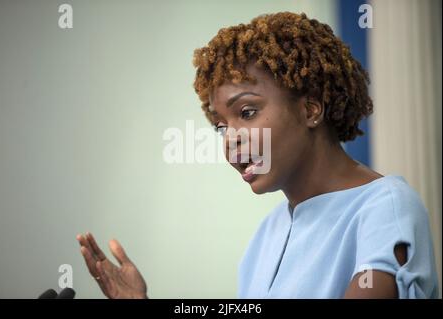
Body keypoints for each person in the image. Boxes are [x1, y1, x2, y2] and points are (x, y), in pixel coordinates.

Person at [77, 12, 439, 299]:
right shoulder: (266, 236)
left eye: (247, 113)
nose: (230, 140)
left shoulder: (385, 206)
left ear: (311, 108)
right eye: (221, 126)